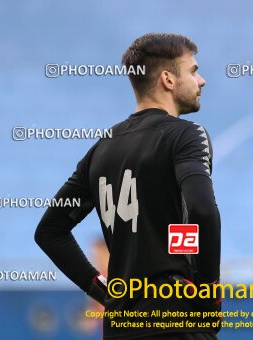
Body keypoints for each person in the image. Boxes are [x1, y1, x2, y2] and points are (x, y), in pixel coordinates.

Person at [35, 32, 221, 339]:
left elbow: (50, 231)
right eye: (193, 70)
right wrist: (209, 296)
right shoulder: (186, 136)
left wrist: (104, 293)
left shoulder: (101, 149)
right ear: (168, 79)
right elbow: (201, 210)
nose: (202, 81)